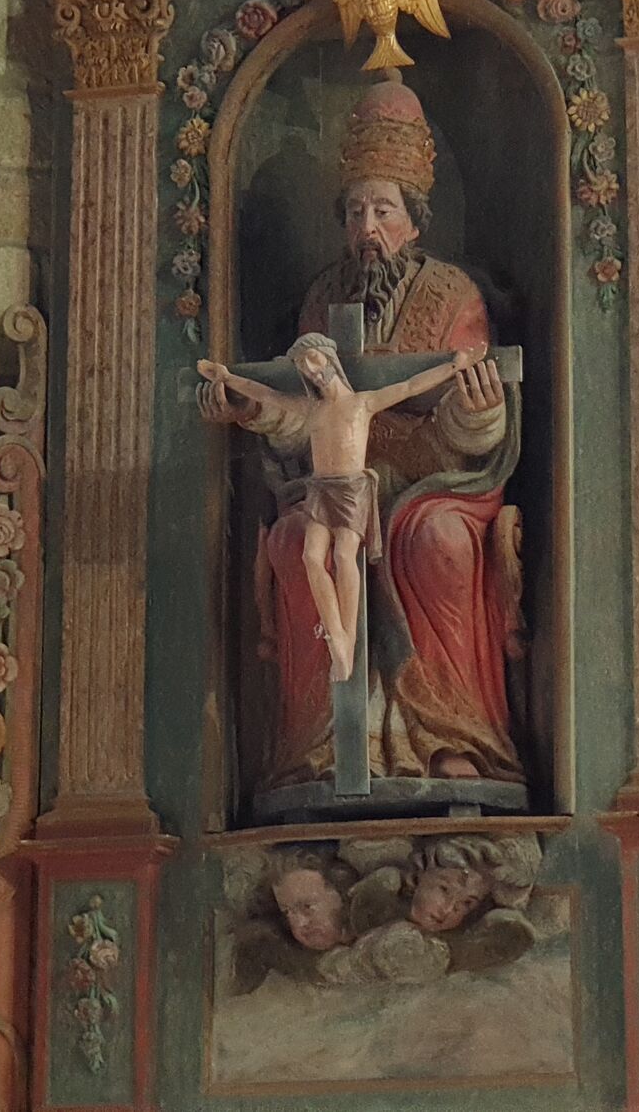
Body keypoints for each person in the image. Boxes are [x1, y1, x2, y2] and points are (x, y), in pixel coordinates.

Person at [199, 76, 529, 789]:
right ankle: (321, 745)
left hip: (434, 482)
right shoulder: (324, 300)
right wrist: (255, 411)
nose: (367, 229)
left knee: (438, 542)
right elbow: (306, 414)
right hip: (336, 482)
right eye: (355, 212)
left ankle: (451, 734)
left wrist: (476, 412)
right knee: (294, 543)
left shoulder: (453, 296)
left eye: (383, 210)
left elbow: (473, 414)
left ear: (414, 219)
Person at [198, 337, 485, 681]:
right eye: (303, 366)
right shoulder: (312, 409)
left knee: (345, 556)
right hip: (321, 489)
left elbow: (410, 386)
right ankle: (335, 633)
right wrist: (227, 377)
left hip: (350, 489)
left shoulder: (362, 403)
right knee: (311, 557)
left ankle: (346, 643)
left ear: (330, 359)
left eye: (313, 359)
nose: (311, 370)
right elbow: (267, 394)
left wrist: (455, 365)